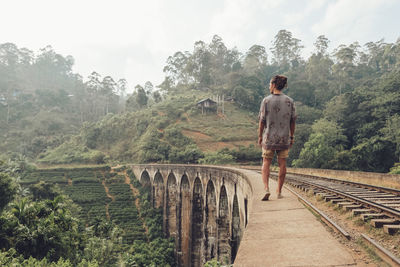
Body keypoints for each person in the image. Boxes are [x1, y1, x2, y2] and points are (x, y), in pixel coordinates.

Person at [258, 75, 296, 200]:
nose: (269, 86)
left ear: (274, 85)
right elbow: (292, 121)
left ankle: (266, 188)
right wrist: (291, 136)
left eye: (270, 84)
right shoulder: (289, 101)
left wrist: (259, 136)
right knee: (282, 163)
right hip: (284, 138)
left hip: (269, 137)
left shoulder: (266, 101)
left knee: (266, 162)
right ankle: (279, 191)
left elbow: (262, 121)